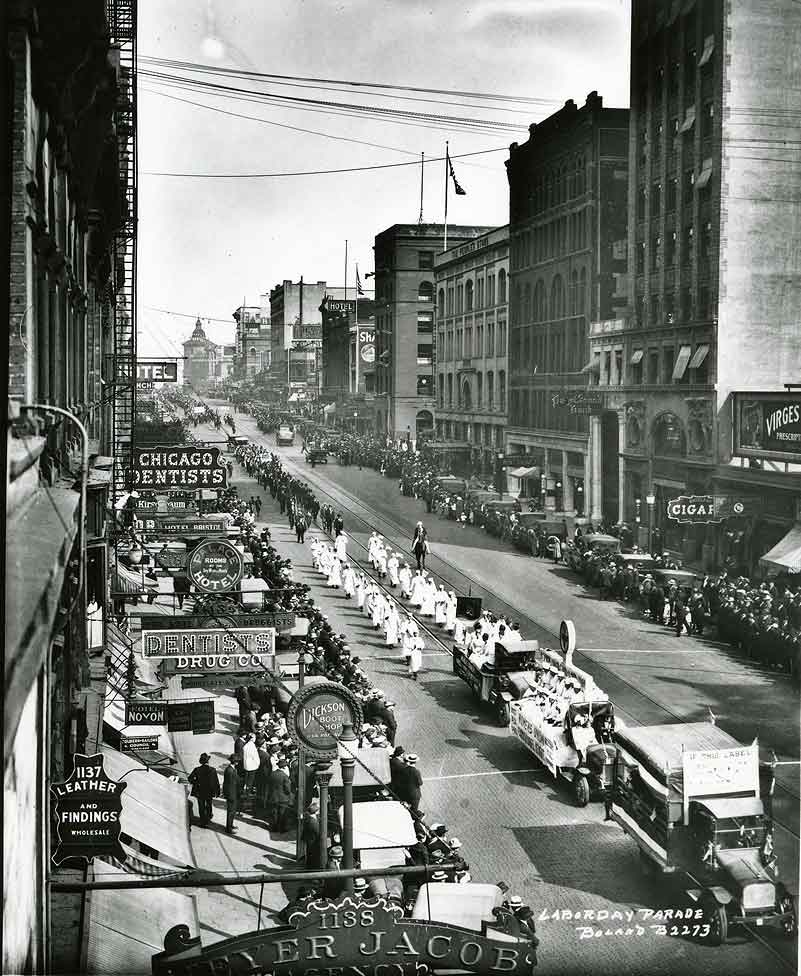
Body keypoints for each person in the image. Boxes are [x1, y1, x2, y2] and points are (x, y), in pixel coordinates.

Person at [188, 753, 220, 827]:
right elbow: (216, 782)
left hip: (199, 791)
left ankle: (203, 821)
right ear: (208, 761)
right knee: (209, 805)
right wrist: (217, 792)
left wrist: (196, 783)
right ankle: (208, 818)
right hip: (209, 791)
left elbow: (190, 779)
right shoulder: (212, 770)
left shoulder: (197, 769)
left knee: (201, 806)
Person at [223, 754, 241, 834]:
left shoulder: (231, 769)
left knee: (232, 811)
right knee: (231, 811)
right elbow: (230, 784)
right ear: (235, 762)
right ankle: (228, 828)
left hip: (232, 793)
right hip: (232, 794)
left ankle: (230, 825)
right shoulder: (230, 771)